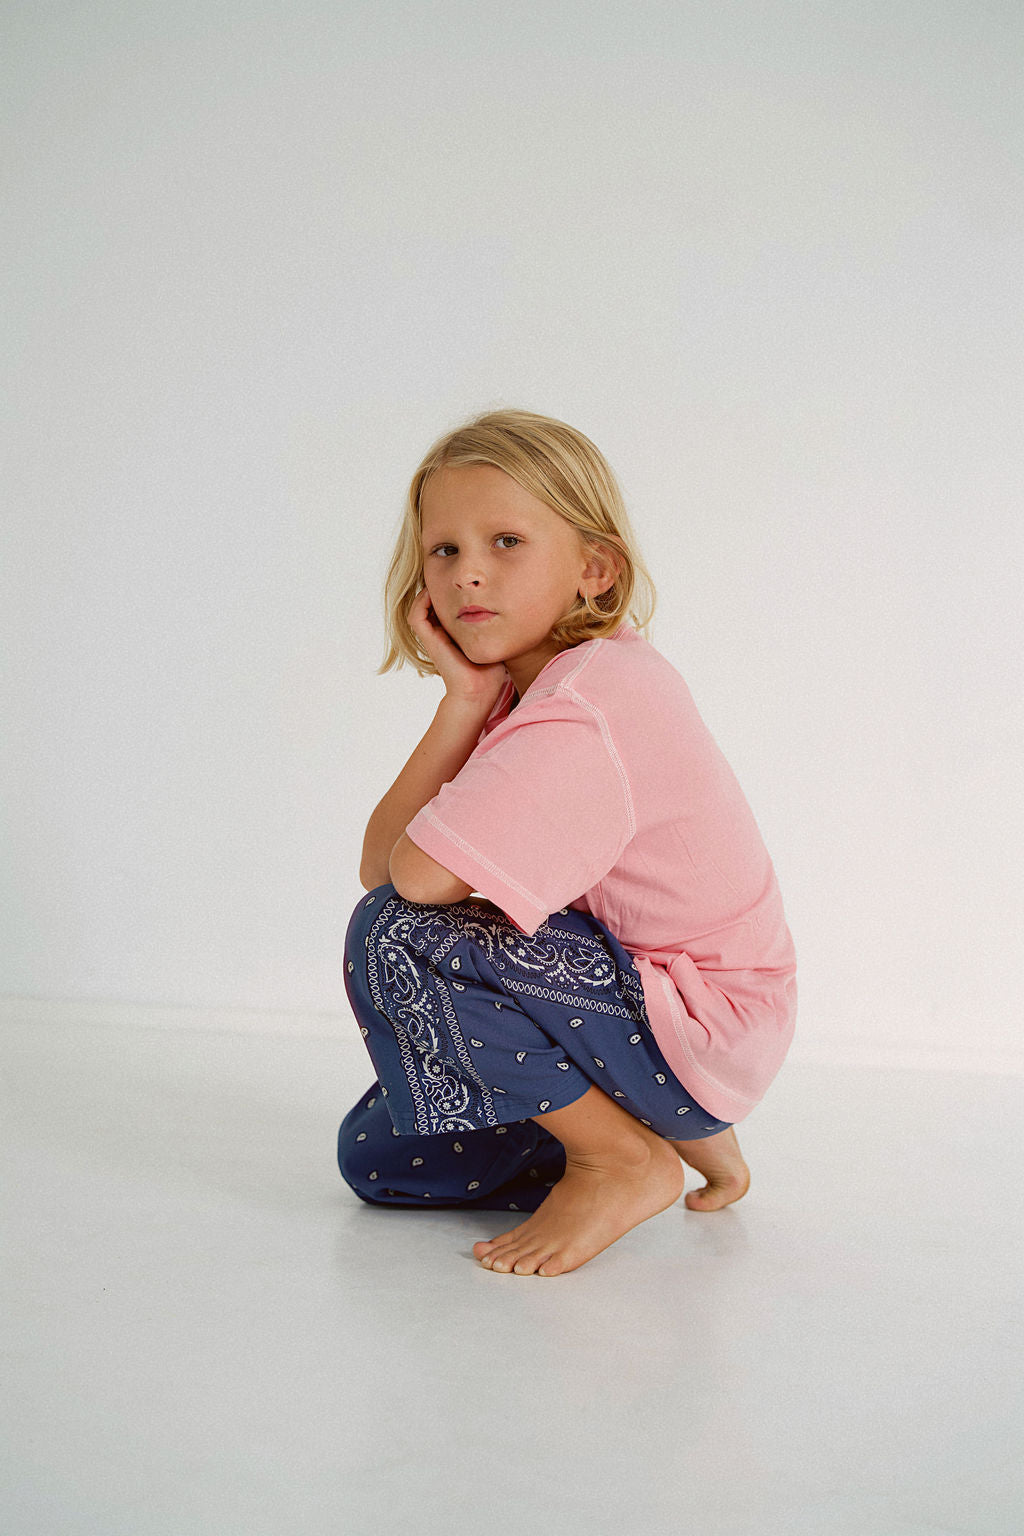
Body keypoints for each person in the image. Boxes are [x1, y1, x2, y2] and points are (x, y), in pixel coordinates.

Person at [338, 407, 797, 1278]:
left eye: (506, 542)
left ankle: (621, 1160)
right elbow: (380, 864)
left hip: (698, 1017)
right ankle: (677, 1130)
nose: (468, 573)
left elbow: (411, 886)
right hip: (650, 1011)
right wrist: (464, 702)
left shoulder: (587, 703)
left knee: (398, 936)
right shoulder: (531, 692)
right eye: (444, 550)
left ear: (594, 568)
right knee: (381, 1159)